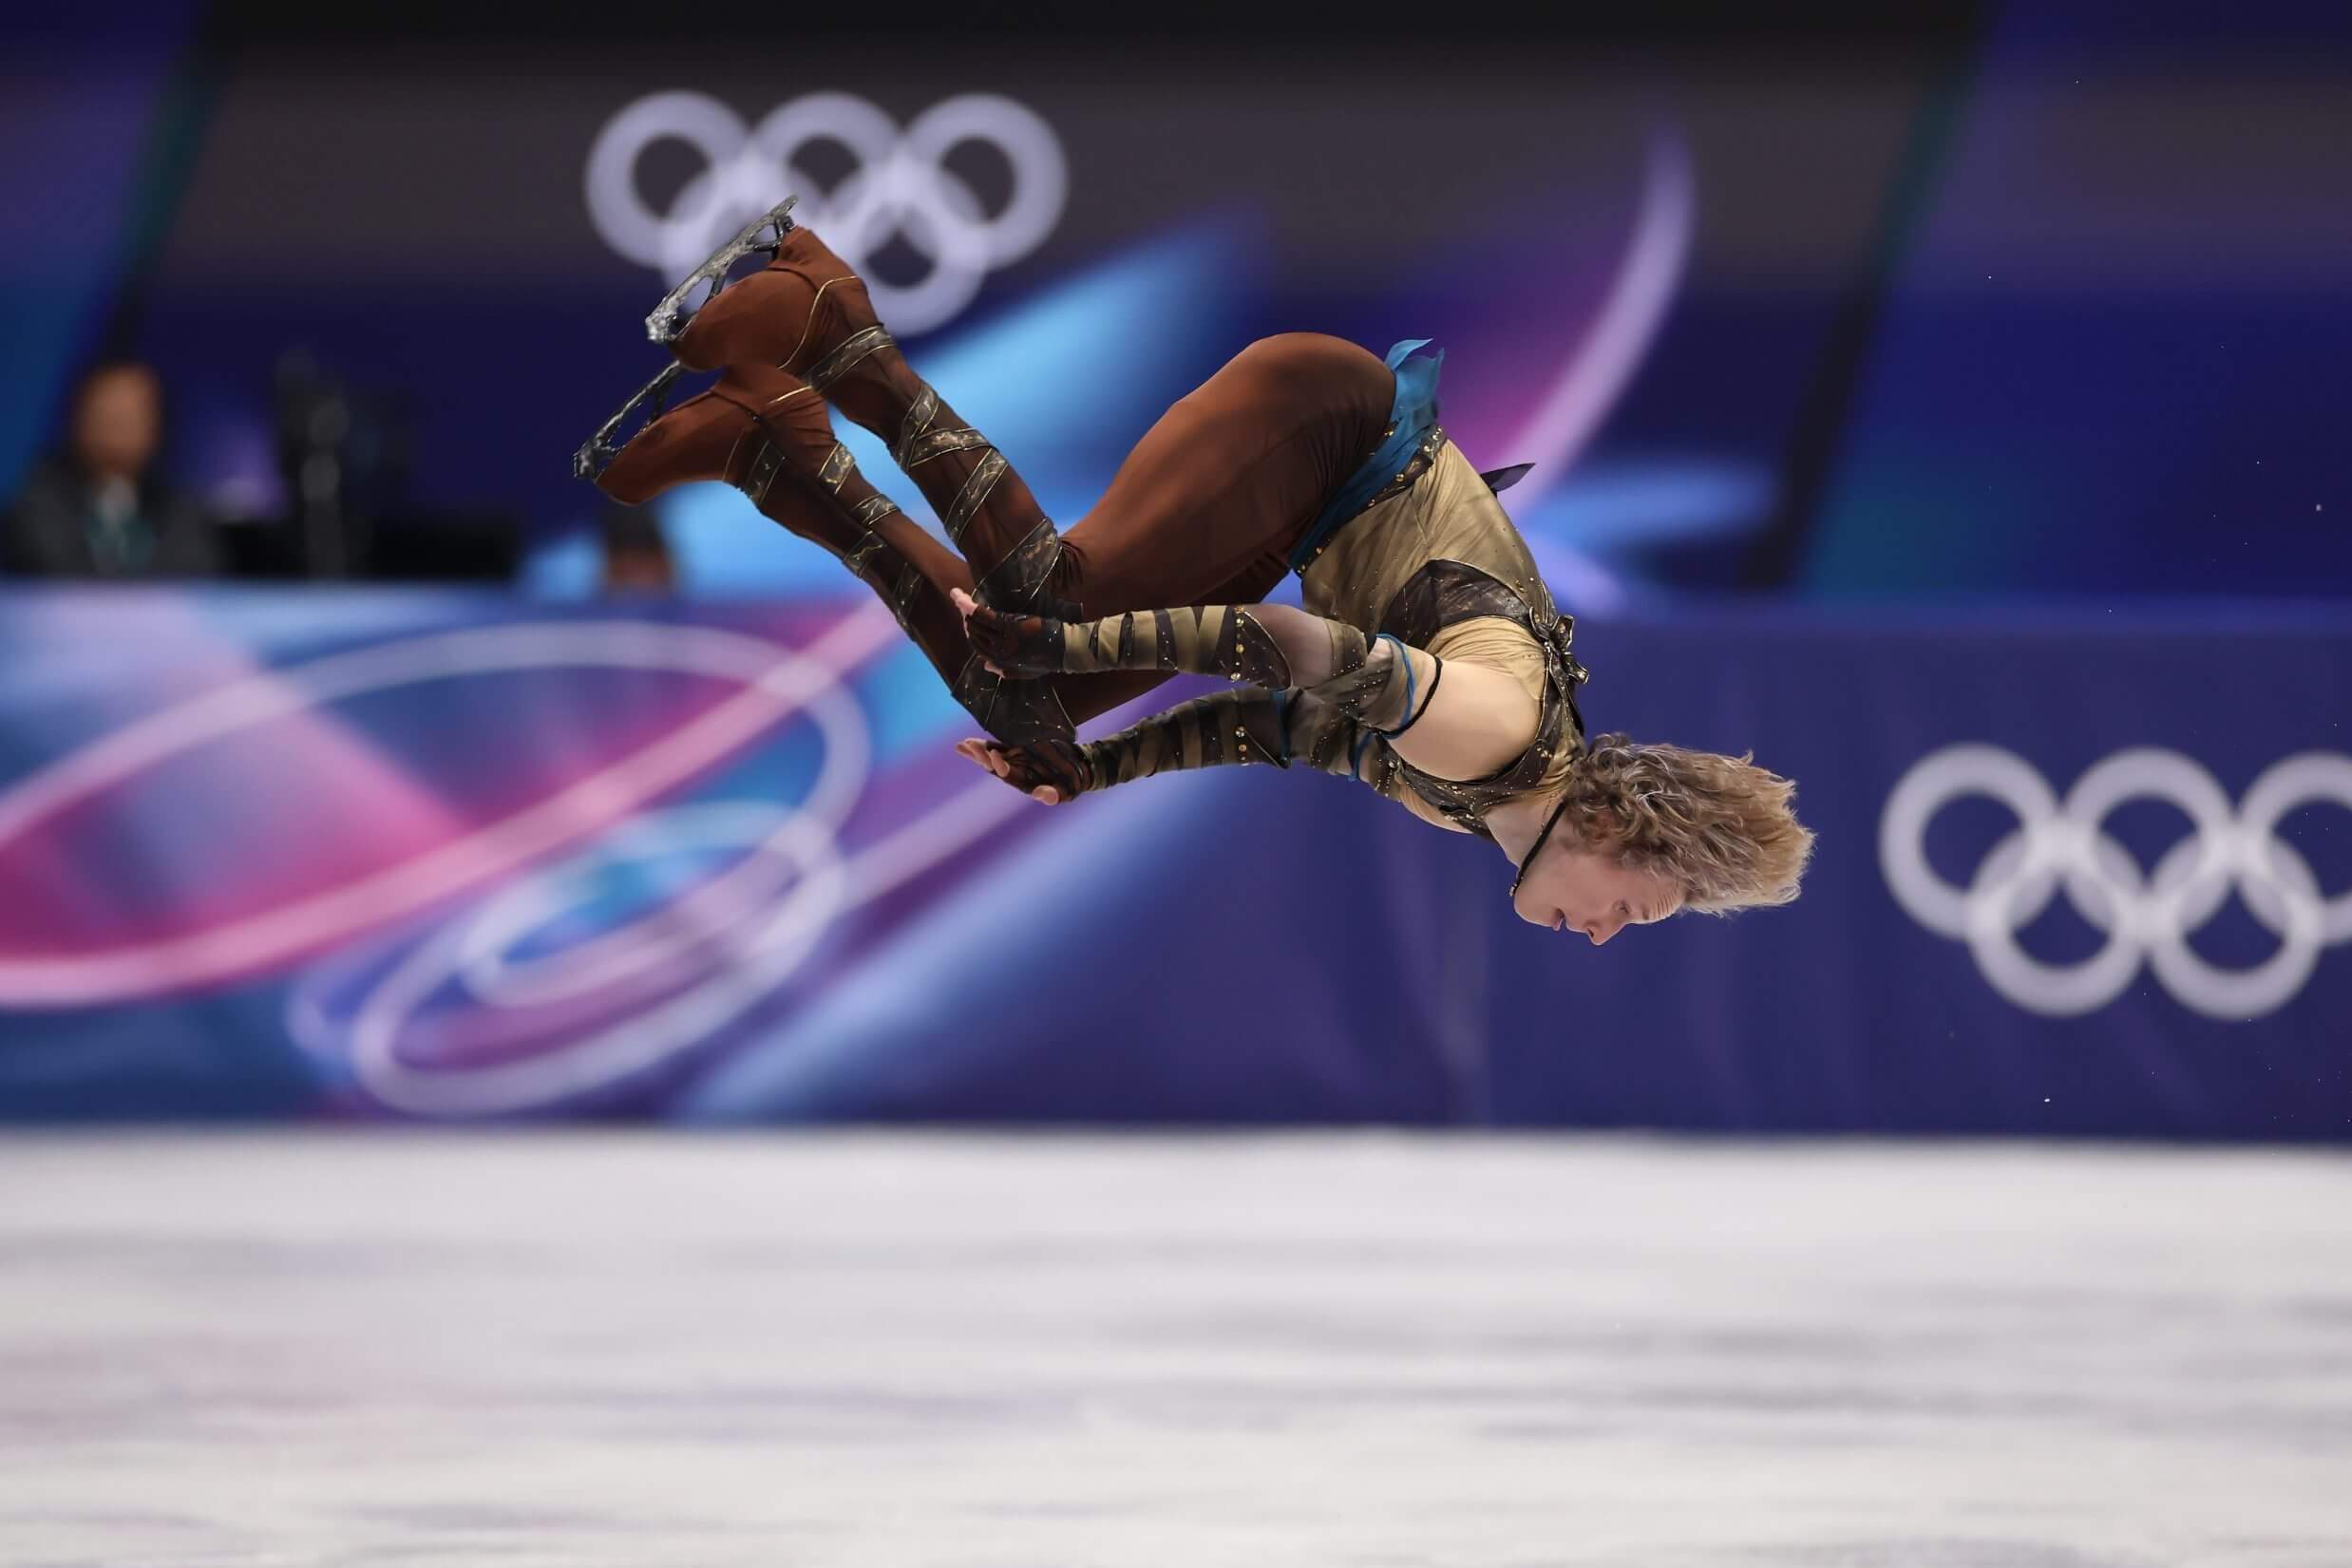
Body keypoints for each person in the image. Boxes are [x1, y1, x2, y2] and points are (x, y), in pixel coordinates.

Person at [580, 201, 1812, 939]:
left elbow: (1271, 727)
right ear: (1611, 823)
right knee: (1049, 621)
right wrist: (1065, 658)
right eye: (1636, 906)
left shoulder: (1468, 787)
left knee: (1035, 705)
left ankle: (783, 427)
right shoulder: (1495, 730)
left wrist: (1096, 763)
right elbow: (1282, 646)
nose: (1606, 933)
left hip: (1317, 488)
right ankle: (819, 341)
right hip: (1324, 427)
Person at [5, 359, 219, 579]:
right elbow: (46, 567)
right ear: (78, 419)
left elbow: (195, 575)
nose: (117, 424)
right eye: (106, 412)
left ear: (158, 425)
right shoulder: (36, 507)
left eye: (131, 414)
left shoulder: (182, 511)